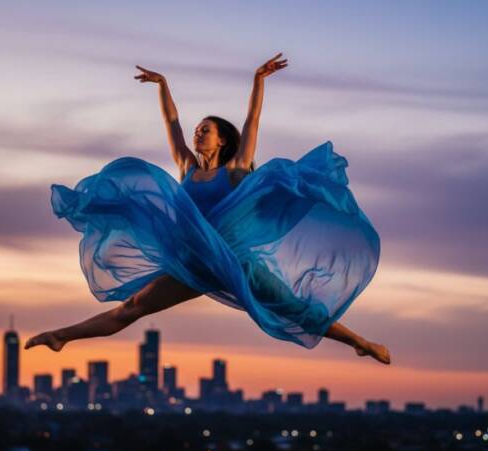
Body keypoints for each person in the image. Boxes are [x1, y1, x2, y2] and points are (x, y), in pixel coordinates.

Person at [25, 53, 390, 364]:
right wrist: (162, 85)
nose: (198, 134)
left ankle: (360, 342)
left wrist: (258, 80)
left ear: (222, 139)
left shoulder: (235, 171)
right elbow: (171, 123)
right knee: (133, 307)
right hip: (194, 261)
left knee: (291, 308)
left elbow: (252, 123)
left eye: (206, 130)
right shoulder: (186, 168)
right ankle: (61, 336)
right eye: (198, 129)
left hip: (234, 262)